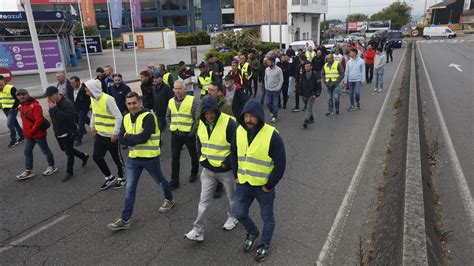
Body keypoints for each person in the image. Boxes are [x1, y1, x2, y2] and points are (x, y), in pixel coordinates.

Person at [108, 92, 175, 231]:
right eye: (129, 103)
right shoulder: (126, 117)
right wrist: (130, 137)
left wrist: (128, 136)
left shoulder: (149, 116)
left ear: (140, 102)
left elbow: (143, 138)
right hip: (133, 158)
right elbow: (121, 138)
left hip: (150, 157)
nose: (132, 106)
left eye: (134, 103)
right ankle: (125, 219)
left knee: (161, 181)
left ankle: (170, 200)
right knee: (129, 189)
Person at [230, 99, 286, 262]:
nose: (248, 120)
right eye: (246, 116)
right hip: (244, 182)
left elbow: (280, 164)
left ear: (259, 117)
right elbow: (233, 153)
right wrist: (236, 175)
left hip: (263, 187)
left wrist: (269, 185)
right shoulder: (239, 131)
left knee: (267, 218)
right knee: (239, 213)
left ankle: (264, 244)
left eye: (252, 117)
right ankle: (253, 232)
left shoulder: (272, 136)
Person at [184, 97, 239, 241]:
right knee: (203, 201)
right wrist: (200, 153)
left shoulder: (229, 123)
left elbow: (238, 146)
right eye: (206, 113)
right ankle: (198, 230)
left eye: (212, 113)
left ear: (217, 111)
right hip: (208, 169)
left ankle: (233, 217)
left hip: (225, 170)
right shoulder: (202, 122)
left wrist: (227, 163)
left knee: (231, 198)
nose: (209, 116)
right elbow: (199, 140)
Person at [84, 79, 125, 190]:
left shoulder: (108, 99)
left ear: (93, 90)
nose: (86, 93)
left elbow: (118, 116)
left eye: (87, 91)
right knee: (97, 157)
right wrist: (92, 125)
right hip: (100, 134)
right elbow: (94, 112)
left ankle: (122, 176)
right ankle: (109, 177)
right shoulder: (93, 98)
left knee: (117, 159)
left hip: (111, 136)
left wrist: (115, 133)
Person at [46, 86, 89, 182]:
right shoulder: (53, 103)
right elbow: (54, 118)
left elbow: (68, 119)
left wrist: (54, 108)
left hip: (68, 132)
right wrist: (52, 109)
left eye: (50, 96)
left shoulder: (67, 103)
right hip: (58, 132)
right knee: (64, 149)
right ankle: (83, 156)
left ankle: (69, 172)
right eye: (48, 96)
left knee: (69, 153)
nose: (48, 98)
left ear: (56, 94)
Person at [15, 89, 57, 180]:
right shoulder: (21, 107)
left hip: (38, 134)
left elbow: (39, 120)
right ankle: (28, 170)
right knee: (27, 151)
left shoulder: (35, 106)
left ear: (28, 95)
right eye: (19, 95)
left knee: (45, 150)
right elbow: (24, 121)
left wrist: (31, 131)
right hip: (29, 135)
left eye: (23, 94)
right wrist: (25, 132)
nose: (21, 96)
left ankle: (52, 166)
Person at [166, 80, 200, 189]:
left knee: (193, 155)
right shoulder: (171, 101)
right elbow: (167, 116)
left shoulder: (192, 100)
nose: (177, 91)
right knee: (175, 157)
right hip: (175, 134)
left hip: (188, 134)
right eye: (175, 89)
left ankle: (194, 172)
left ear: (184, 89)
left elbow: (197, 118)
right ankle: (174, 180)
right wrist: (170, 127)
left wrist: (192, 132)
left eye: (179, 88)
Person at [0, 75, 25, 148]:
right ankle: (22, 136)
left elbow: (18, 99)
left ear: (3, 80)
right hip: (5, 109)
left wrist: (13, 107)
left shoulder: (11, 88)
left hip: (12, 109)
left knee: (9, 124)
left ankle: (13, 141)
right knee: (15, 124)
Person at [67, 76, 90, 146]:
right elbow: (70, 99)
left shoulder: (84, 90)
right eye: (71, 83)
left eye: (73, 83)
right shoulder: (70, 89)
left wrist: (83, 110)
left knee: (81, 123)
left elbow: (88, 101)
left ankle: (79, 139)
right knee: (86, 121)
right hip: (74, 110)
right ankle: (96, 129)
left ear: (78, 82)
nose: (72, 84)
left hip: (82, 110)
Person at [300, 61, 322, 128]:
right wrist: (300, 93)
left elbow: (319, 87)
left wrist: (316, 94)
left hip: (311, 94)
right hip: (304, 95)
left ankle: (306, 121)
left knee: (308, 107)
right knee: (307, 106)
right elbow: (299, 84)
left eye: (308, 66)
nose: (306, 68)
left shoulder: (316, 75)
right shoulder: (302, 75)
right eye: (305, 67)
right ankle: (311, 117)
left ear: (311, 67)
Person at [264, 57, 284, 123]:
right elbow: (265, 78)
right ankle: (272, 112)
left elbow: (281, 80)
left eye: (269, 62)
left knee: (275, 104)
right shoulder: (266, 69)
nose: (268, 63)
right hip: (268, 89)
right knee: (267, 103)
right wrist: (266, 86)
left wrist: (278, 88)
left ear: (273, 62)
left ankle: (274, 116)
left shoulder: (279, 70)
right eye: (267, 62)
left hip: (276, 90)